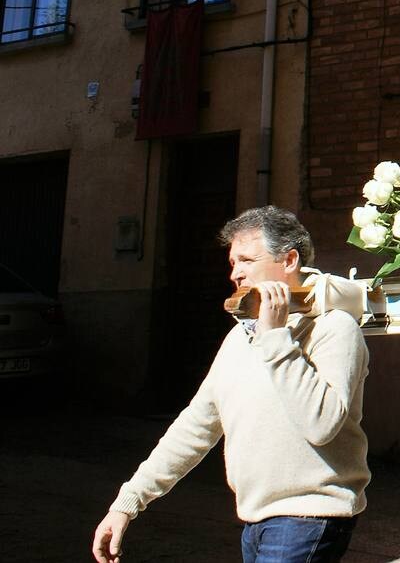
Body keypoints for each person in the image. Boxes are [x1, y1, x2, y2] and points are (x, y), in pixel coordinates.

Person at [92, 207, 370, 563]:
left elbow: (321, 425)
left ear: (288, 260)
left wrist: (275, 337)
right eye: (233, 262)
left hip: (309, 516)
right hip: (254, 522)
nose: (235, 273)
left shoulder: (335, 328)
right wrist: (127, 503)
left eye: (246, 260)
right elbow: (195, 427)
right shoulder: (241, 338)